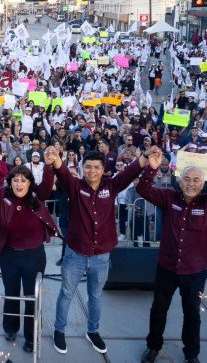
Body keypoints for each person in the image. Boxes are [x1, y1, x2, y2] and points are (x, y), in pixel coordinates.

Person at [138, 148, 207, 363]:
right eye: (186, 179)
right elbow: (143, 189)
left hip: (196, 272)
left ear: (203, 183)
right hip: (167, 267)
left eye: (196, 180)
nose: (191, 183)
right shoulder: (169, 197)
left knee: (193, 314)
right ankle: (153, 347)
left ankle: (191, 354)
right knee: (158, 310)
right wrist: (151, 168)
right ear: (179, 181)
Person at [52, 147, 150, 355]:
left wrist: (146, 156)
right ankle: (59, 330)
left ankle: (92, 330)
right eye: (88, 167)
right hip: (75, 254)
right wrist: (55, 157)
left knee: (95, 296)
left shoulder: (112, 185)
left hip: (101, 256)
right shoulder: (75, 186)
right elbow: (61, 171)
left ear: (103, 169)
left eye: (96, 167)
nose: (92, 171)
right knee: (67, 293)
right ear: (82, 168)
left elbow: (131, 171)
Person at [0, 146, 60, 353]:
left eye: (24, 180)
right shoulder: (3, 197)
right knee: (11, 293)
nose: (19, 183)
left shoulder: (37, 197)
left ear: (30, 183)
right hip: (10, 255)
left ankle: (31, 336)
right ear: (10, 182)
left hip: (34, 256)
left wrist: (49, 164)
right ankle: (11, 327)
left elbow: (48, 183)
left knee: (33, 297)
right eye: (15, 180)